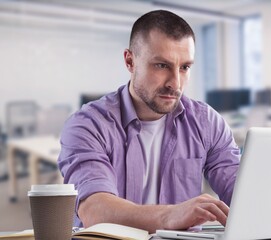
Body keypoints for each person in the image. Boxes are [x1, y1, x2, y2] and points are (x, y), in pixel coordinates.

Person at [57, 9, 240, 233]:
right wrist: (171, 215)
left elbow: (242, 191)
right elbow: (95, 210)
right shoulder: (88, 125)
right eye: (161, 65)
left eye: (184, 67)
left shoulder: (206, 122)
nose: (176, 83)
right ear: (130, 61)